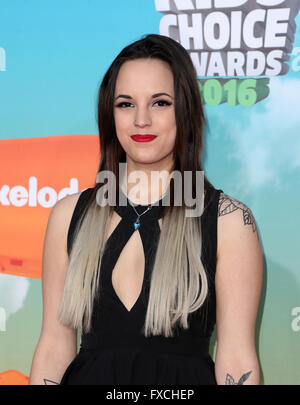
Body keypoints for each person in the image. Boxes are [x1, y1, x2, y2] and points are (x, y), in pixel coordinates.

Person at [29, 34, 263, 385]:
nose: (141, 120)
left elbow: (237, 357)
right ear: (109, 115)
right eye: (125, 104)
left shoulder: (229, 221)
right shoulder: (68, 216)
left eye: (160, 103)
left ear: (185, 110)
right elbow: (53, 347)